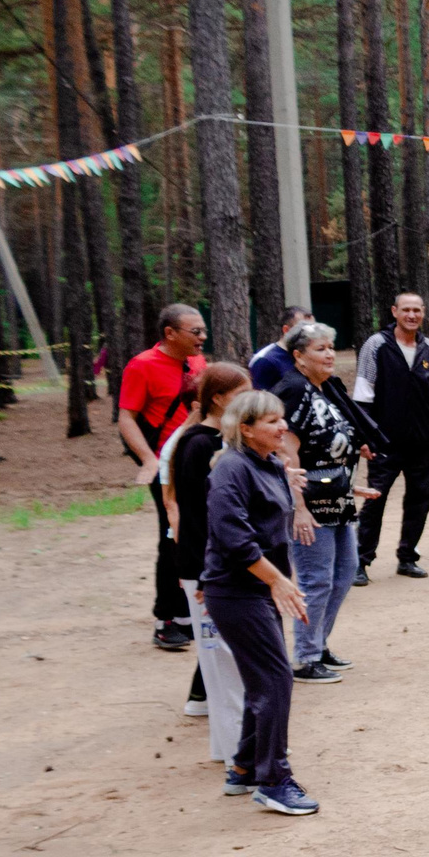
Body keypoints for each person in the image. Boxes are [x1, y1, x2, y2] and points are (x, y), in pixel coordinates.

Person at [204, 387, 319, 815]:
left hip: (260, 588)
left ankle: (246, 767)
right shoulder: (230, 469)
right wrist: (280, 583)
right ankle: (274, 780)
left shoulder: (270, 463)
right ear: (246, 429)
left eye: (282, 418)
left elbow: (277, 511)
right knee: (275, 680)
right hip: (237, 591)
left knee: (263, 680)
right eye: (271, 421)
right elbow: (234, 540)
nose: (282, 426)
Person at [271, 321, 385, 684]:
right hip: (309, 504)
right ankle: (305, 657)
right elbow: (287, 455)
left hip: (337, 497)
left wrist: (351, 488)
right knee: (316, 578)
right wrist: (298, 508)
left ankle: (318, 644)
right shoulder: (292, 391)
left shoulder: (325, 389)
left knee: (346, 571)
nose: (330, 354)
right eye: (320, 349)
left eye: (331, 348)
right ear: (299, 356)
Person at [164, 365, 253, 760]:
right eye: (242, 392)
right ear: (217, 397)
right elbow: (196, 517)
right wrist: (205, 575)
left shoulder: (225, 441)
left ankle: (229, 749)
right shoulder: (198, 445)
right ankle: (238, 754)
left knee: (227, 663)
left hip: (217, 569)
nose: (250, 400)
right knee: (223, 665)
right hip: (205, 571)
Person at [119, 304, 210, 651]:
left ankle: (189, 613)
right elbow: (126, 418)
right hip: (166, 464)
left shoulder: (198, 362)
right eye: (196, 332)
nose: (203, 337)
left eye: (203, 330)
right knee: (172, 534)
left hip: (197, 458)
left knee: (196, 532)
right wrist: (148, 460)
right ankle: (166, 618)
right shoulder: (141, 366)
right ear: (170, 333)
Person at [351, 292, 429, 581]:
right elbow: (363, 396)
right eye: (406, 309)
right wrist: (365, 437)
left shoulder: (428, 347)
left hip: (422, 441)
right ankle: (360, 561)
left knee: (421, 498)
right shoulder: (376, 345)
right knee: (375, 499)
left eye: (417, 310)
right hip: (385, 442)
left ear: (423, 313)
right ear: (394, 311)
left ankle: (407, 557)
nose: (412, 315)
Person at [247, 304, 309, 392]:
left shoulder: (308, 356)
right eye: (304, 330)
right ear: (286, 330)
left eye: (313, 330)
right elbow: (259, 400)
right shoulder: (265, 360)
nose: (310, 335)